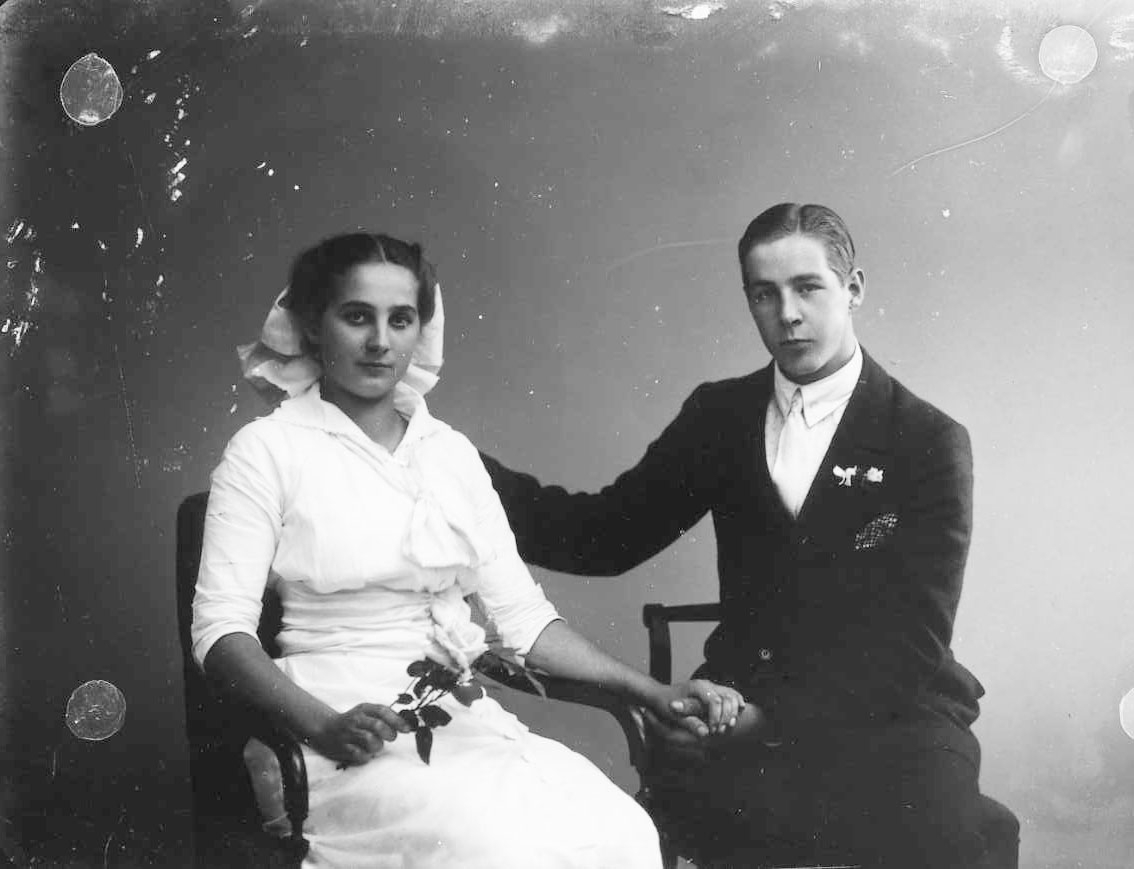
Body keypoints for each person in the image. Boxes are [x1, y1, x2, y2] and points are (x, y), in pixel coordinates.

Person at [481, 203, 1019, 867]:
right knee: (657, 827)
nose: (787, 314)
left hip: (895, 715)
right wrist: (458, 465)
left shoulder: (927, 439)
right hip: (738, 700)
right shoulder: (721, 415)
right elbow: (602, 536)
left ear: (853, 288)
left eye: (807, 288)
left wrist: (773, 723)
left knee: (942, 834)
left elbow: (911, 643)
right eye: (764, 294)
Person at [190, 232, 745, 869]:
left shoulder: (449, 453)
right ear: (314, 327)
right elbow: (220, 633)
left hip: (458, 725)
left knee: (621, 832)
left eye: (401, 320)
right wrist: (323, 725)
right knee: (498, 851)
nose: (380, 341)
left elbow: (524, 622)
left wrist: (649, 691)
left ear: (420, 330)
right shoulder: (267, 449)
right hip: (331, 729)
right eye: (357, 317)